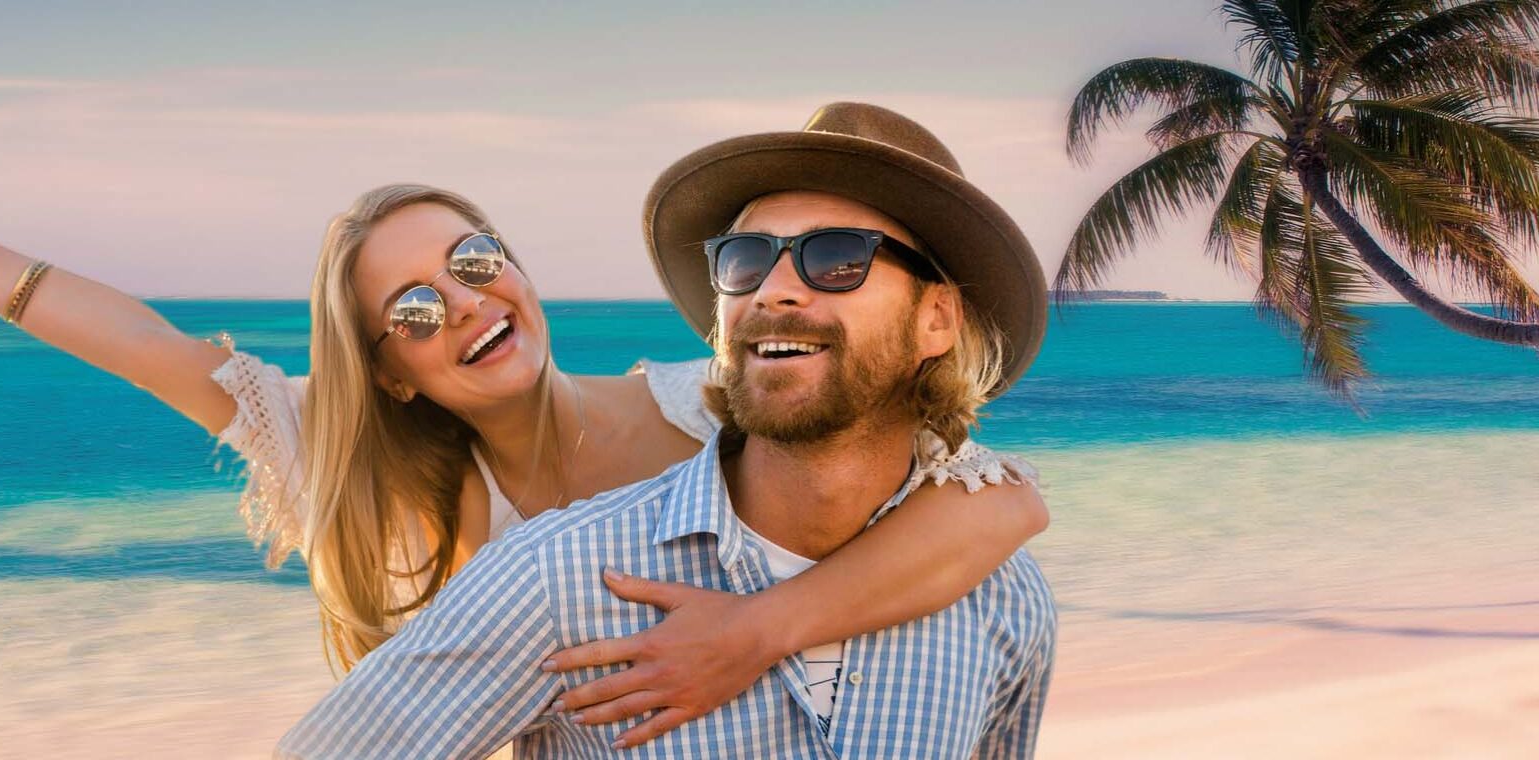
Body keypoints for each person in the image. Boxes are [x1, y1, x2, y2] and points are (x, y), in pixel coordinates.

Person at [0, 106, 1047, 749]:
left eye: (477, 257)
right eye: (416, 308)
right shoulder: (485, 545)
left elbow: (1001, 505)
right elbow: (142, 343)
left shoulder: (701, 397)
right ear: (386, 370)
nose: (468, 304)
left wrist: (753, 633)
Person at [275, 102, 1056, 759]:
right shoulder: (559, 577)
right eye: (746, 259)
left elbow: (1011, 499)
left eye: (838, 258)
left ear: (937, 319)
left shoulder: (1005, 602)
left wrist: (758, 631)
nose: (777, 289)